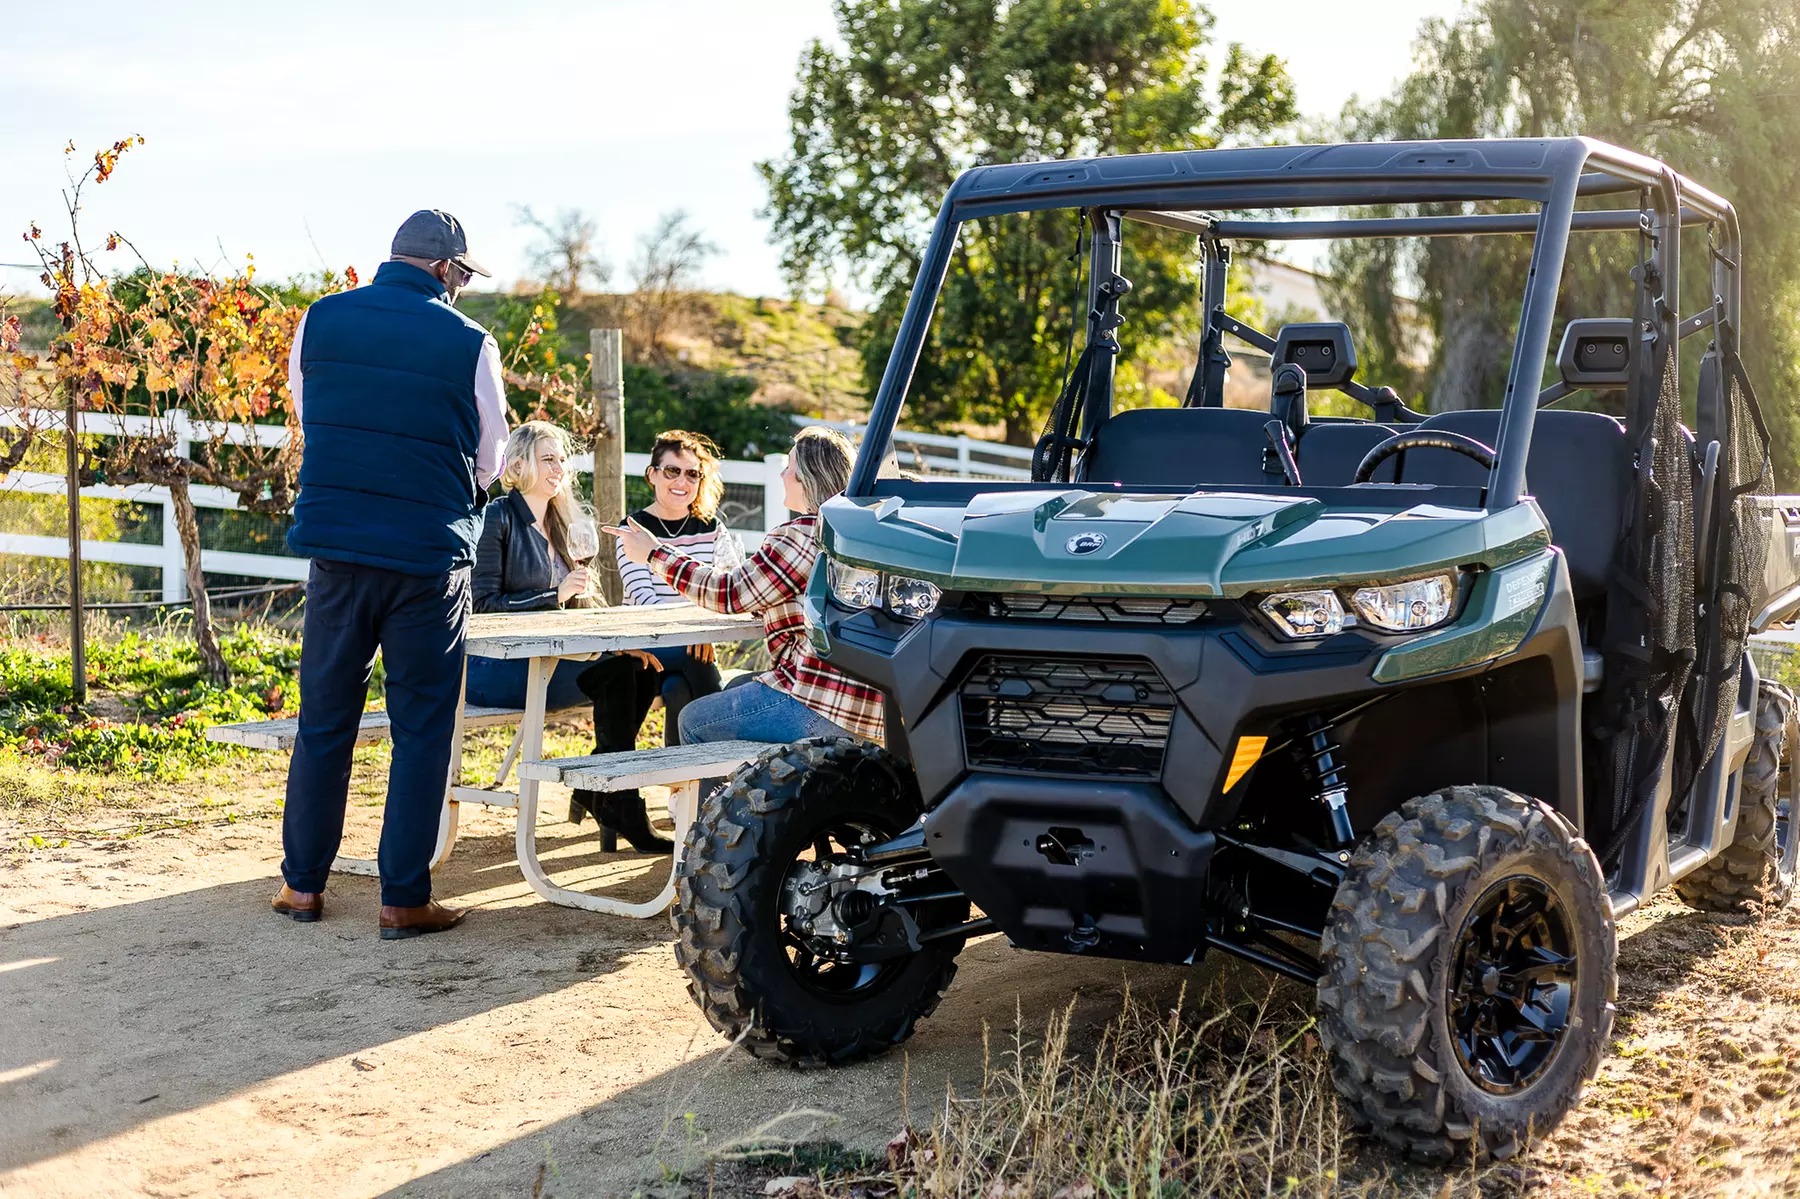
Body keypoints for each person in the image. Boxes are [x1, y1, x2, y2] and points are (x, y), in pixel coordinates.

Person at [275, 209, 506, 941]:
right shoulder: (471, 341)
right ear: (442, 268)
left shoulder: (320, 319)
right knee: (421, 729)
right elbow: (493, 454)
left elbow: (310, 415)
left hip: (339, 551)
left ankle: (301, 884)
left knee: (324, 720)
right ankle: (403, 898)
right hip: (426, 561)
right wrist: (451, 496)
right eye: (462, 273)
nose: (463, 286)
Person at [608, 426, 885, 748]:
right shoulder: (860, 534)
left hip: (819, 703)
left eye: (789, 467)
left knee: (694, 720)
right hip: (867, 706)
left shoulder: (803, 535)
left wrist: (656, 554)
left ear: (808, 479)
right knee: (736, 686)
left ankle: (710, 789)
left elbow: (729, 593)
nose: (782, 474)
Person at [570, 431, 742, 853]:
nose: (681, 481)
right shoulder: (634, 530)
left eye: (692, 474)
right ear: (652, 475)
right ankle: (715, 796)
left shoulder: (712, 529)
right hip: (650, 644)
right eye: (671, 471)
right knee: (698, 666)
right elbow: (646, 600)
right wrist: (699, 628)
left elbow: (729, 581)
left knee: (681, 687)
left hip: (687, 651)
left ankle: (665, 794)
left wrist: (704, 629)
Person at [468, 421, 600, 711]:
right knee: (617, 675)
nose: (560, 469)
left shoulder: (561, 524)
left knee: (634, 669)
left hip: (549, 657)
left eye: (561, 460)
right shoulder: (496, 517)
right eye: (548, 459)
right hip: (496, 666)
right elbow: (482, 605)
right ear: (518, 466)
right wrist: (555, 595)